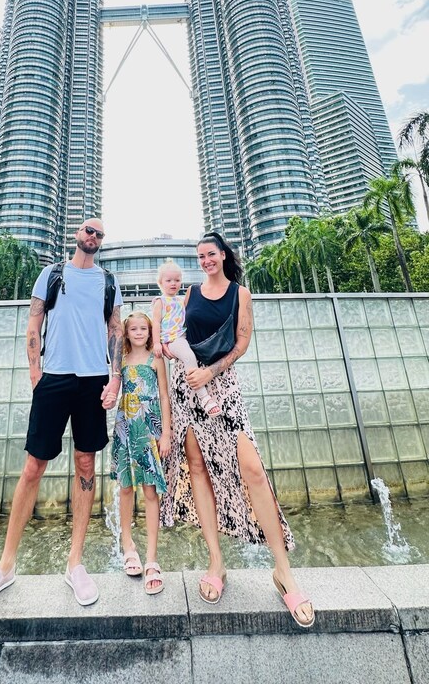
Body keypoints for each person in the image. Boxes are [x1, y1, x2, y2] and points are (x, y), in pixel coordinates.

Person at [0, 217, 123, 611]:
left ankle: (75, 563)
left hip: (93, 381)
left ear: (102, 242)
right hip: (53, 378)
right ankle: (5, 566)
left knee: (86, 464)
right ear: (76, 234)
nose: (93, 237)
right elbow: (34, 320)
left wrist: (115, 376)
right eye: (88, 230)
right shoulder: (52, 274)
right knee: (34, 466)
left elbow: (115, 329)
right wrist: (35, 370)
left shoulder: (108, 281)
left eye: (99, 234)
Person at [161, 231, 314, 628]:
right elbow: (169, 333)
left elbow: (241, 344)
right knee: (198, 469)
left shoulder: (240, 293)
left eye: (210, 254)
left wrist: (211, 371)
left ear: (225, 254)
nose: (205, 260)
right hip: (187, 386)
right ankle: (216, 562)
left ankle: (283, 571)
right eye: (200, 256)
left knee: (253, 470)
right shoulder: (188, 294)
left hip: (222, 386)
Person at [110, 311, 171, 594]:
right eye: (132, 328)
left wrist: (166, 433)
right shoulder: (120, 361)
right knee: (125, 489)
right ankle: (128, 546)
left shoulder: (155, 359)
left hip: (149, 430)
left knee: (149, 492)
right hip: (126, 427)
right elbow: (114, 392)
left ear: (150, 331)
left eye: (143, 328)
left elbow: (164, 395)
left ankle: (151, 557)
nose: (138, 332)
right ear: (126, 332)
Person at [152, 259, 220, 417]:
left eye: (177, 280)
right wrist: (157, 343)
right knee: (189, 357)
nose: (173, 283)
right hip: (172, 339)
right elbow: (155, 323)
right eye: (168, 280)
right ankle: (204, 397)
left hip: (184, 337)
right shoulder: (160, 302)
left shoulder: (181, 300)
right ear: (160, 282)